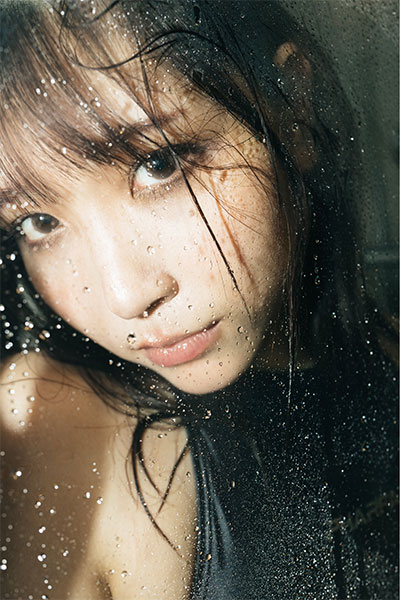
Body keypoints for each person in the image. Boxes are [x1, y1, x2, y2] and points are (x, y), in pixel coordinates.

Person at [0, 1, 398, 598]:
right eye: (38, 222)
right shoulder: (56, 422)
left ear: (293, 108)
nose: (126, 295)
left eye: (157, 164)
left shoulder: (386, 352)